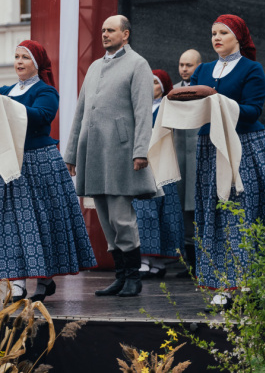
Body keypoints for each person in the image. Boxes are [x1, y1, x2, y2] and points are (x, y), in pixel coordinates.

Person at [190, 14, 265, 306]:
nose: (217, 38)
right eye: (214, 33)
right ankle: (224, 283)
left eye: (223, 33)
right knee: (216, 212)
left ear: (239, 38)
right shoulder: (203, 70)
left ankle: (250, 282)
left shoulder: (251, 69)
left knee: (242, 211)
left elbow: (253, 110)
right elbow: (191, 106)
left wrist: (220, 103)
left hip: (243, 146)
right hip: (210, 147)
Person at [64, 15, 157, 297]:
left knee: (121, 217)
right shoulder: (94, 66)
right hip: (94, 152)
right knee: (105, 217)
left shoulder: (138, 64)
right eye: (103, 30)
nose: (105, 34)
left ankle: (133, 278)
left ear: (125, 34)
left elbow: (143, 111)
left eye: (111, 30)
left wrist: (140, 150)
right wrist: (71, 154)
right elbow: (80, 111)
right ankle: (121, 276)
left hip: (120, 151)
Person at [0, 40, 96, 302]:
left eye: (25, 58)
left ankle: (45, 280)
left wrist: (6, 105)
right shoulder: (6, 91)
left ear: (37, 63)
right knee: (13, 223)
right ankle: (17, 284)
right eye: (16, 57)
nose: (19, 62)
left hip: (40, 163)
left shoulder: (46, 91)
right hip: (12, 165)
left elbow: (42, 116)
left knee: (44, 221)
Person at [133, 69, 185, 279]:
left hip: (161, 165)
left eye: (155, 82)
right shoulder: (139, 107)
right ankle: (145, 259)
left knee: (164, 215)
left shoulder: (167, 108)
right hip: (143, 166)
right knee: (144, 212)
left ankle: (157, 261)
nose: (150, 86)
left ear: (163, 88)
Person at [173, 49, 201, 278]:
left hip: (201, 158)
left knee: (199, 211)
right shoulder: (172, 92)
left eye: (189, 65)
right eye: (181, 64)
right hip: (179, 161)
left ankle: (204, 264)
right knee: (183, 213)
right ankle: (190, 265)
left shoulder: (208, 91)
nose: (184, 69)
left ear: (199, 66)